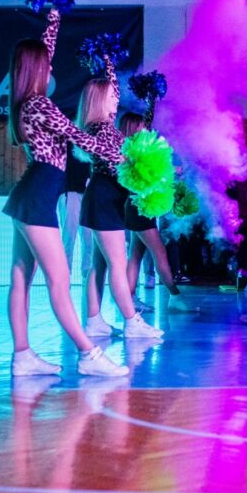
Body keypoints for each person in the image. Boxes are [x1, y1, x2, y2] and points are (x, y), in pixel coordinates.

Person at [2, 7, 128, 377]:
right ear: (36, 69)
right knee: (58, 282)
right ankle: (89, 354)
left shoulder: (25, 102)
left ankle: (22, 355)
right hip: (38, 197)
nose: (52, 67)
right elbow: (79, 137)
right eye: (47, 65)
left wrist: (54, 18)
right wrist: (123, 158)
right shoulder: (39, 104)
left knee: (21, 279)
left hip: (30, 195)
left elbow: (47, 50)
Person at [76, 64, 164, 340]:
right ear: (100, 100)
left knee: (100, 264)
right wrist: (141, 174)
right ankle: (131, 321)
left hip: (105, 198)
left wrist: (109, 61)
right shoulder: (101, 130)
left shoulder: (102, 126)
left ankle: (93, 320)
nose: (117, 98)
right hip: (104, 199)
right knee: (116, 263)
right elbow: (120, 167)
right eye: (112, 96)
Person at [116, 111, 197, 313]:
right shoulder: (134, 151)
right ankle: (175, 296)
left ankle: (130, 299)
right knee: (159, 252)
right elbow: (147, 178)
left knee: (136, 254)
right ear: (133, 127)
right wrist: (172, 173)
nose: (146, 129)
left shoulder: (131, 149)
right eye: (142, 126)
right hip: (139, 208)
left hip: (140, 207)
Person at [58, 147, 92, 282]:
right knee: (69, 237)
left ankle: (86, 276)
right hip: (69, 191)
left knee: (89, 238)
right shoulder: (66, 140)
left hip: (88, 193)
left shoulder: (91, 141)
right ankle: (65, 277)